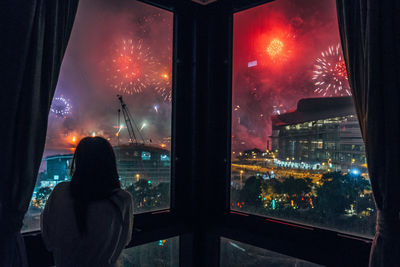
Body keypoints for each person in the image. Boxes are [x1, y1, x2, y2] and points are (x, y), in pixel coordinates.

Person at [41, 137, 133, 267]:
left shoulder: (60, 192)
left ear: (78, 162)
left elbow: (48, 239)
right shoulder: (122, 200)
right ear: (110, 163)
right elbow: (125, 240)